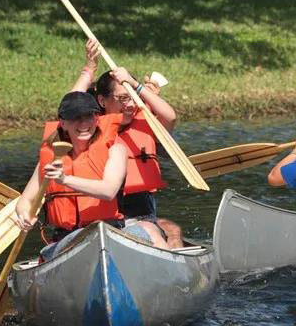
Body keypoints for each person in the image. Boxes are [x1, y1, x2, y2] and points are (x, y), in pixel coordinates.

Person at [13, 91, 168, 262]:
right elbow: (25, 201)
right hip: (66, 239)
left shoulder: (116, 150)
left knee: (152, 235)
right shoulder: (51, 160)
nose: (84, 123)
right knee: (88, 238)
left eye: (89, 116)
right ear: (63, 123)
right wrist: (24, 215)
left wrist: (65, 179)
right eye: (76, 118)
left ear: (97, 119)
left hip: (111, 232)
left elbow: (109, 191)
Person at [72, 39, 184, 248]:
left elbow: (170, 116)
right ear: (102, 101)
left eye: (132, 97)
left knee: (166, 231)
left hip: (141, 213)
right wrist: (90, 68)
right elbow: (68, 105)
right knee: (156, 230)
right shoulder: (86, 127)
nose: (130, 105)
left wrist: (136, 86)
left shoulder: (146, 123)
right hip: (101, 215)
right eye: (123, 98)